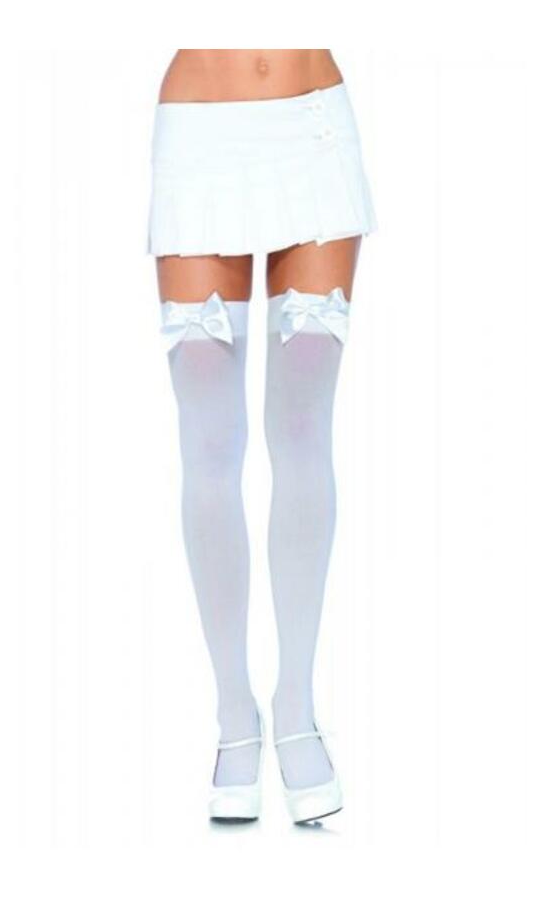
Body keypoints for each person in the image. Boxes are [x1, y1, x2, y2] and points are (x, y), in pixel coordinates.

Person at [149, 50, 377, 824]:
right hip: (198, 131)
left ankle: (296, 705)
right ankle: (233, 716)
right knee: (209, 438)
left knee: (305, 424)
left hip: (310, 123)